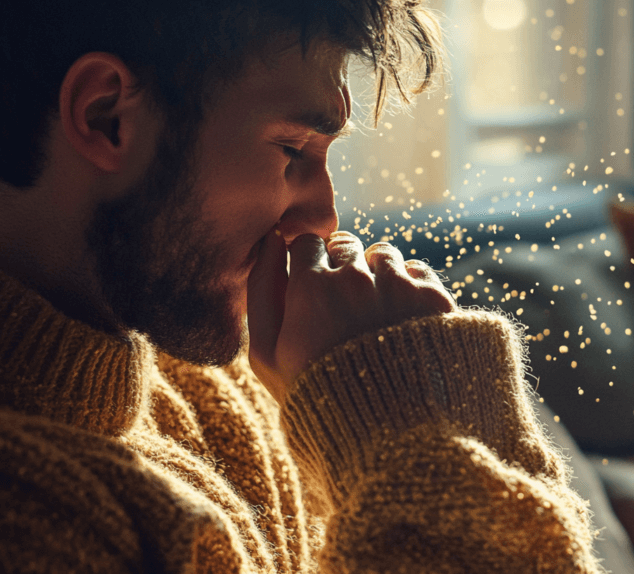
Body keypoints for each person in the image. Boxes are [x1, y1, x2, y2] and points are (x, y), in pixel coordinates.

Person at [0, 0, 603, 571]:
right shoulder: (29, 515)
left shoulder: (230, 382)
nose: (323, 219)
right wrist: (407, 431)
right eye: (292, 151)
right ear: (107, 118)